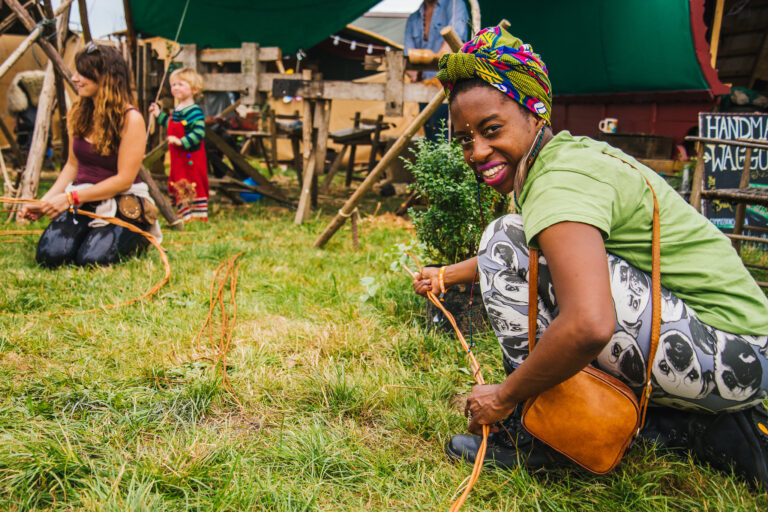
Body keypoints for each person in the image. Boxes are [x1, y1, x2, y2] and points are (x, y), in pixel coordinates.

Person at [413, 26, 768, 487]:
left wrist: (503, 396)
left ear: (534, 112)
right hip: (737, 350)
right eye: (464, 139)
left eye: (491, 129)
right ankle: (687, 424)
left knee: (504, 236)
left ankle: (546, 435)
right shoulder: (560, 159)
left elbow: (588, 324)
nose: (477, 151)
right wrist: (447, 274)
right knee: (511, 239)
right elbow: (537, 253)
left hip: (733, 354)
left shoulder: (560, 181)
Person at [19, 43, 158, 268]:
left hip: (119, 199)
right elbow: (72, 167)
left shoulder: (131, 119)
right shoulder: (80, 112)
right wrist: (44, 202)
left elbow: (123, 179)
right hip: (82, 199)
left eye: (83, 74)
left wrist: (70, 199)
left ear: (106, 77)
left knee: (92, 260)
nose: (75, 78)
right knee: (50, 256)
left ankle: (138, 236)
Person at [149, 68, 208, 222]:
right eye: (173, 84)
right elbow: (171, 124)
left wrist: (182, 141)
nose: (175, 87)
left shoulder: (194, 111)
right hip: (178, 158)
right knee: (179, 181)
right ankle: (185, 213)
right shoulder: (178, 109)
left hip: (191, 157)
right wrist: (157, 114)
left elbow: (199, 133)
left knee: (191, 182)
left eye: (181, 84)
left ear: (194, 89)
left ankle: (197, 214)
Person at [404, 0, 470, 140]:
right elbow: (407, 55)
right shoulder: (413, 19)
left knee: (445, 134)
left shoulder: (455, 4)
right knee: (430, 135)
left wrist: (437, 70)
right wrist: (415, 76)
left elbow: (454, 40)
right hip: (423, 87)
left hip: (447, 85)